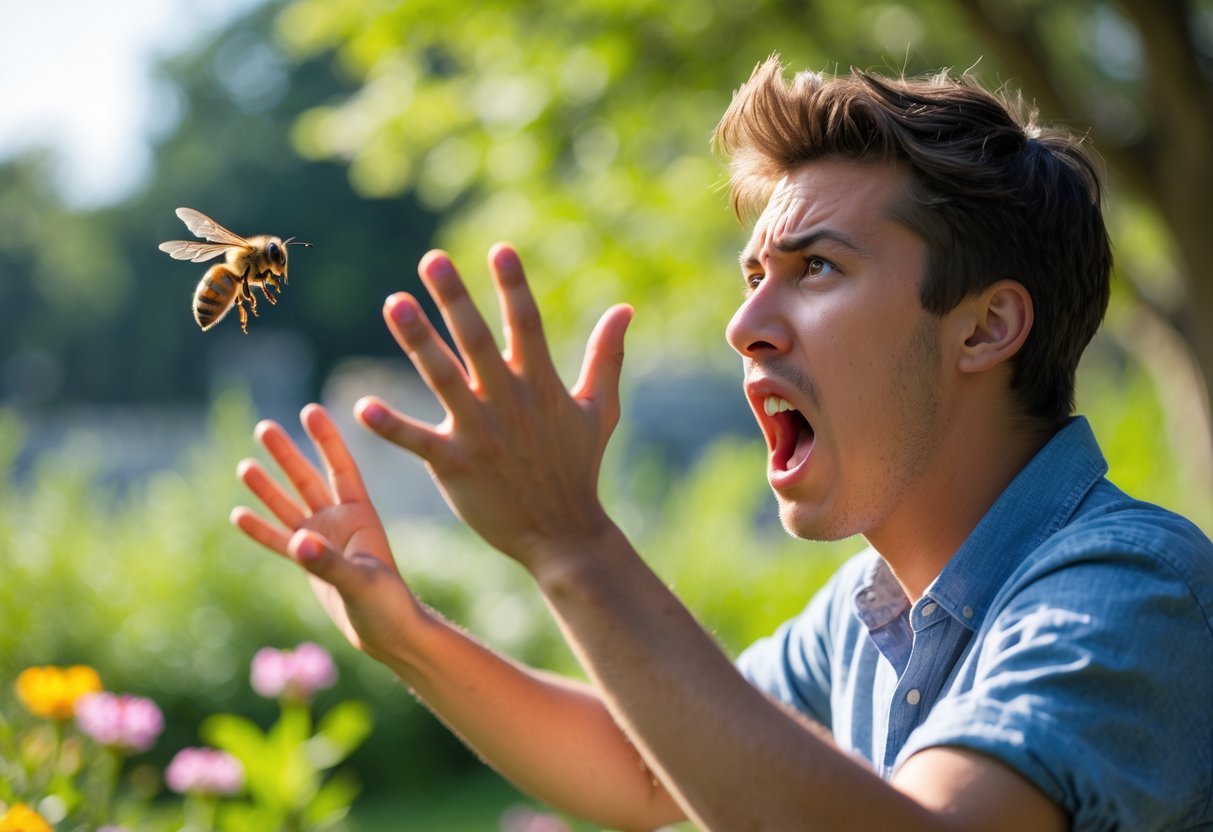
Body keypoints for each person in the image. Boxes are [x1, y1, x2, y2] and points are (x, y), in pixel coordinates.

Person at [230, 56, 1213, 831]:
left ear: (985, 327)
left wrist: (571, 543)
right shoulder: (866, 617)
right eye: (752, 277)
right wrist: (407, 635)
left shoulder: (1128, 587)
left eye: (815, 266)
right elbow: (646, 761)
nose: (746, 326)